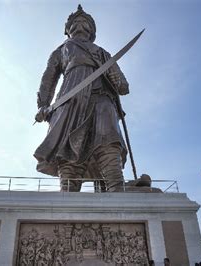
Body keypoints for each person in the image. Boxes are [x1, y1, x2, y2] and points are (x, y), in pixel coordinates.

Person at [34, 5, 130, 192]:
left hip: (101, 100)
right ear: (68, 30)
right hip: (70, 102)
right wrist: (43, 105)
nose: (80, 25)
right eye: (75, 23)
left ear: (91, 30)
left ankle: (116, 190)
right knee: (68, 147)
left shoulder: (102, 53)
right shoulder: (61, 51)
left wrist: (119, 80)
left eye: (85, 23)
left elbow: (122, 85)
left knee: (108, 140)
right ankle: (68, 193)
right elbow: (48, 80)